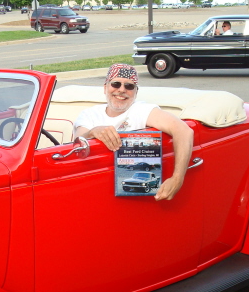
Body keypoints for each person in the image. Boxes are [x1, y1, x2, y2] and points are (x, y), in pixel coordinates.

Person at [74, 63, 194, 201]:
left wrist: (177, 179)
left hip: (135, 197)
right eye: (116, 84)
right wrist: (93, 132)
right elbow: (78, 144)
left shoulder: (141, 110)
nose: (121, 90)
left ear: (136, 92)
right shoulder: (89, 114)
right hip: (94, 186)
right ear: (105, 87)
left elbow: (183, 130)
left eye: (129, 86)